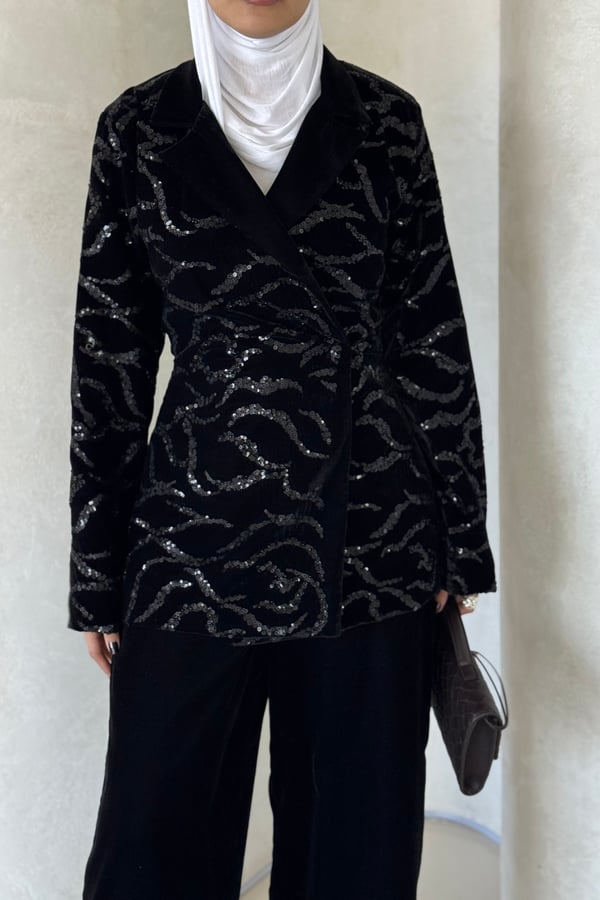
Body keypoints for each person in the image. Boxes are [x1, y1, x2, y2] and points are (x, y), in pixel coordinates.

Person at [67, 0, 497, 897]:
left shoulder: (386, 123)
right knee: (152, 846)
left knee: (357, 848)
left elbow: (430, 339)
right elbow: (110, 363)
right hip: (190, 544)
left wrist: (460, 537)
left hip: (371, 541)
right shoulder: (139, 130)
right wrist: (98, 572)